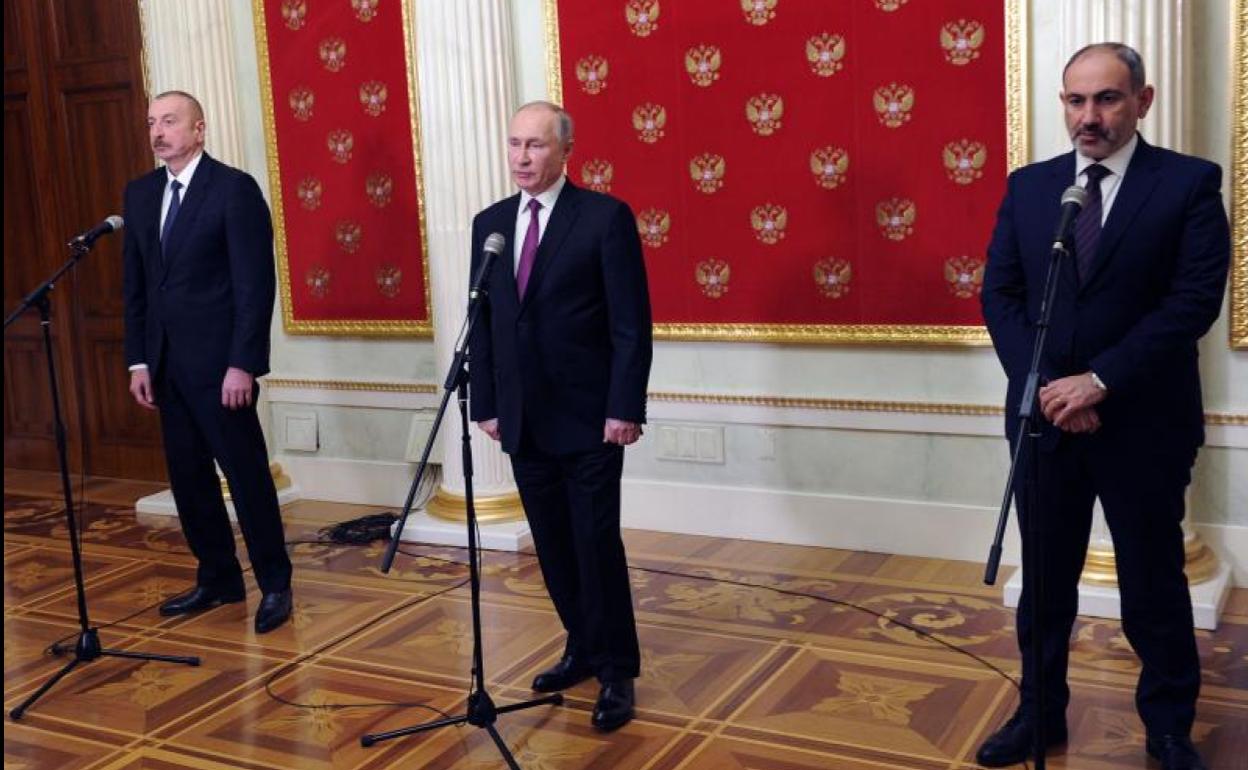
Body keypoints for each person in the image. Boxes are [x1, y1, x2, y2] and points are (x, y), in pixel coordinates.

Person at [980, 44, 1229, 770]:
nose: (1088, 117)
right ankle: (1038, 715)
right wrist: (1051, 388)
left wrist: (1100, 381)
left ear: (1142, 101)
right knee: (1045, 582)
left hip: (1143, 422)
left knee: (1152, 582)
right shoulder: (1032, 187)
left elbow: (1191, 303)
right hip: (1044, 422)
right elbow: (1002, 296)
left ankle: (1169, 726)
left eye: (1107, 99)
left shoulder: (1187, 184)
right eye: (1076, 100)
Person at [468, 101, 653, 731]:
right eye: (514, 143)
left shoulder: (604, 218)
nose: (521, 157)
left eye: (536, 145)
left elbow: (630, 325)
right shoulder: (491, 224)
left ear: (565, 152)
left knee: (595, 544)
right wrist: (488, 404)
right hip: (523, 419)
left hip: (590, 418)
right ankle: (583, 646)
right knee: (551, 545)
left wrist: (624, 407)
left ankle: (617, 669)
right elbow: (485, 321)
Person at [123, 91, 293, 634]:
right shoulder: (140, 194)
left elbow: (254, 286)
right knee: (189, 479)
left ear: (199, 129)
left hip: (222, 370)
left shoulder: (233, 190)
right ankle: (218, 576)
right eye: (152, 122)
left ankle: (275, 583)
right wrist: (138, 361)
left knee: (246, 476)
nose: (158, 131)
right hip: (166, 367)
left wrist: (243, 363)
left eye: (170, 121)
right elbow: (137, 287)